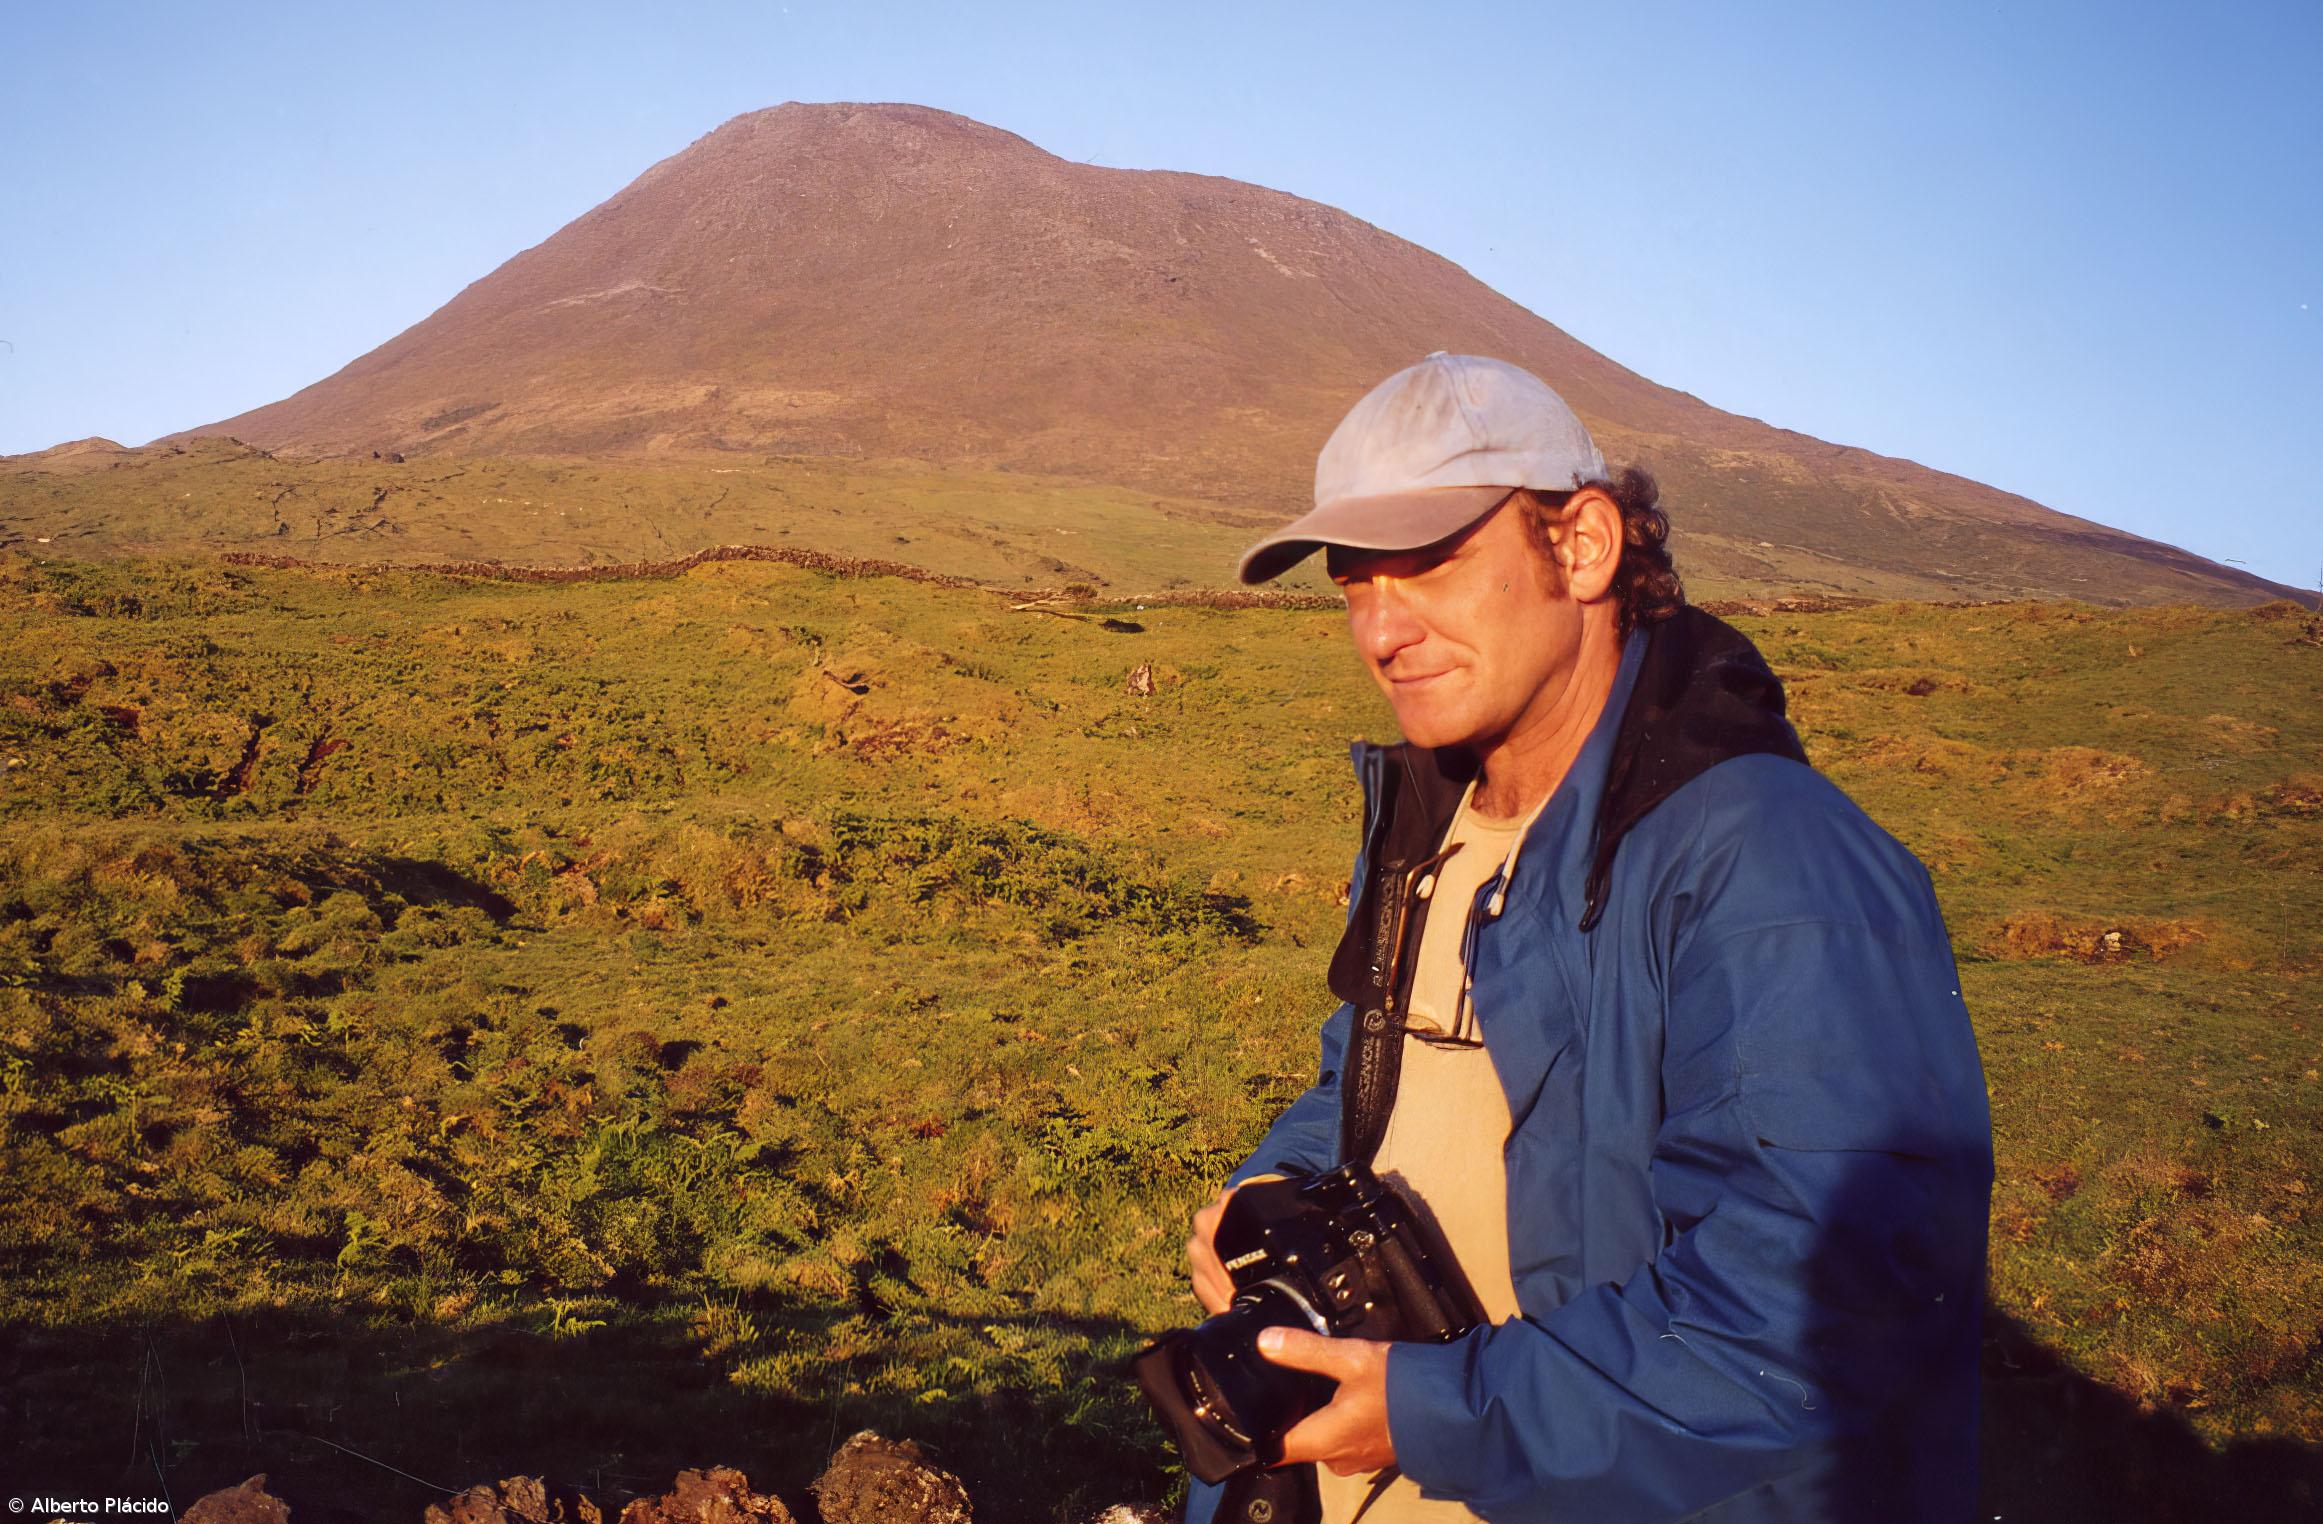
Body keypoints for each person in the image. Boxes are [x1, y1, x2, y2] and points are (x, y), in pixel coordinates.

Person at [1183, 354, 1993, 1524]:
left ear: (1582, 547)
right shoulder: (1434, 820)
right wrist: (1277, 1188)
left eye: (1429, 565)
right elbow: (1372, 1078)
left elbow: (1814, 1307)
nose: (1381, 631)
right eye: (1353, 586)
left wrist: (1438, 1413)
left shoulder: (1774, 865)